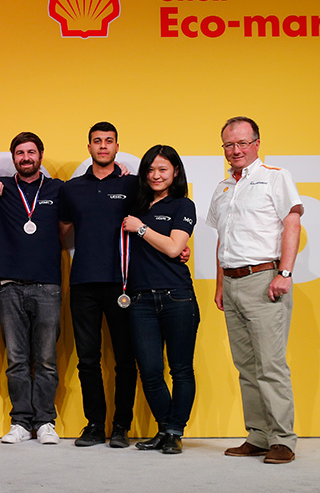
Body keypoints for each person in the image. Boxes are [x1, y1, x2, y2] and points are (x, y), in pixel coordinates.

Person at [207, 116, 303, 464]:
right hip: (231, 283)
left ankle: (283, 439)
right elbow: (223, 239)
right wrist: (220, 285)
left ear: (257, 144)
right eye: (229, 145)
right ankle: (259, 435)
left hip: (264, 280)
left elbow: (292, 223)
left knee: (270, 364)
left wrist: (285, 272)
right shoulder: (223, 188)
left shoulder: (275, 178)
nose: (236, 150)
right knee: (246, 365)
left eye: (242, 143)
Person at [58, 122, 138, 448]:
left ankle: (121, 426)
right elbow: (61, 230)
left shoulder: (134, 185)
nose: (103, 146)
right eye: (97, 141)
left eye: (108, 141)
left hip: (122, 284)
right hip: (83, 283)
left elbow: (155, 218)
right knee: (87, 359)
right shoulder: (72, 188)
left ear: (117, 146)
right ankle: (94, 424)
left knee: (124, 359)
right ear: (88, 147)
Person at [122, 145, 199, 454]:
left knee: (180, 369)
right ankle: (166, 430)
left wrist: (140, 228)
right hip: (139, 299)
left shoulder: (183, 205)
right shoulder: (135, 203)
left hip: (176, 296)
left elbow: (172, 248)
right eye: (150, 170)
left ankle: (173, 431)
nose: (156, 175)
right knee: (150, 369)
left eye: (163, 169)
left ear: (175, 172)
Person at [0, 132, 65, 445]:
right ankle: (21, 422)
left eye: (31, 152)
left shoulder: (58, 189)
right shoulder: (1, 188)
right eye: (20, 152)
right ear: (13, 158)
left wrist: (123, 173)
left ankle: (45, 421)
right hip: (10, 285)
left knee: (47, 359)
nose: (26, 157)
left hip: (48, 285)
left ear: (41, 155)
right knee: (17, 360)